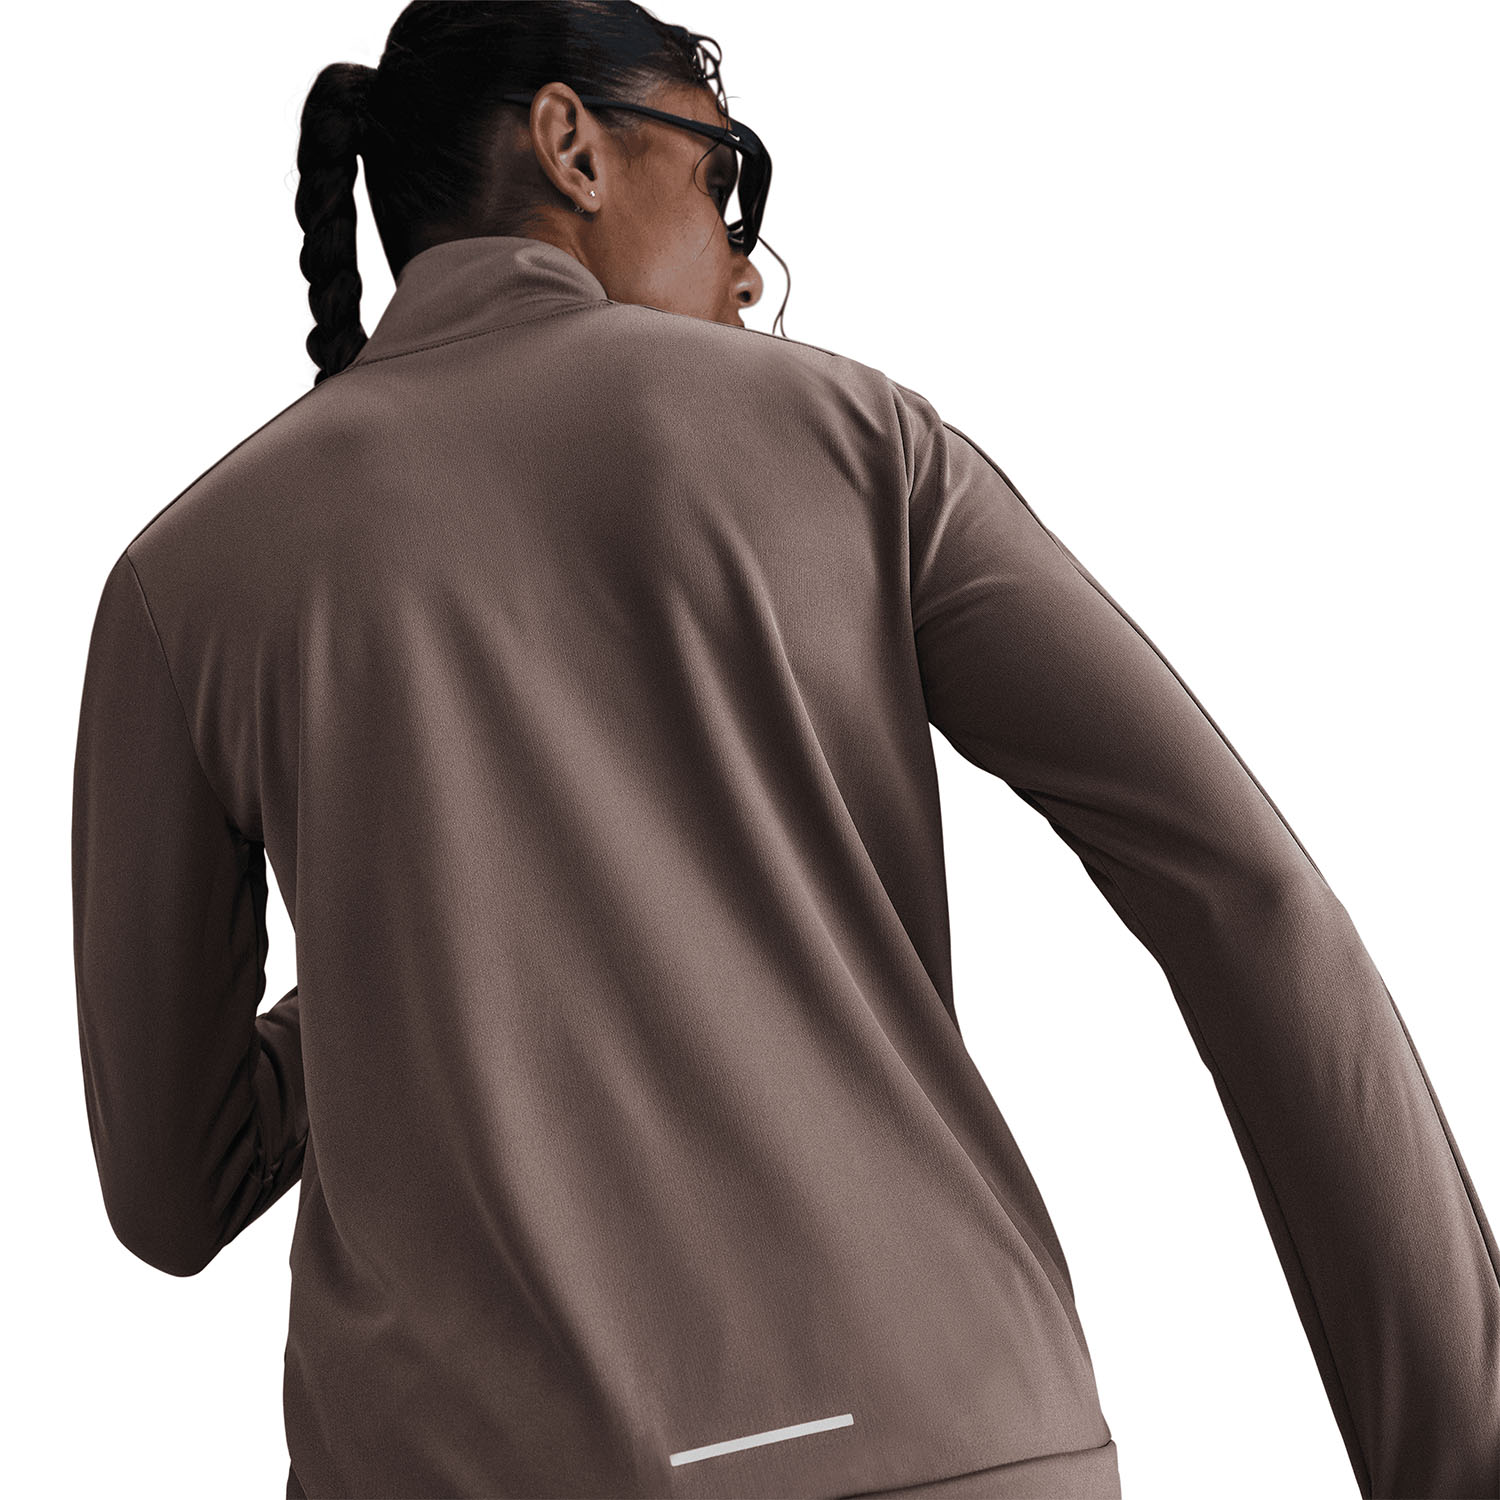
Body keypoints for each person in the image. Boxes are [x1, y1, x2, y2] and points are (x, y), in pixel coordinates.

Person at [68, 4, 1499, 1498]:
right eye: (725, 177)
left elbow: (175, 1191)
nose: (748, 266)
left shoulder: (187, 577)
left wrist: (418, 954)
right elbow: (1241, 893)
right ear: (571, 147)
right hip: (949, 1440)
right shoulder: (857, 440)